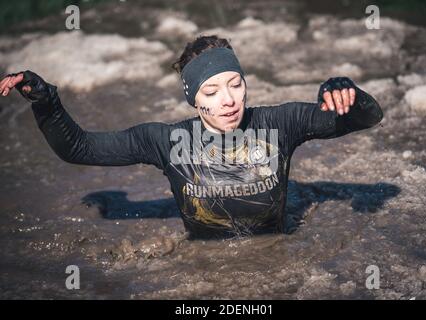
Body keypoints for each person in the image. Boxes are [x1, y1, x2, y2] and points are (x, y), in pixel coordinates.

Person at [0, 35, 383, 239]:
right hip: (204, 266)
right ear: (193, 99)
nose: (230, 100)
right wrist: (46, 101)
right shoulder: (165, 141)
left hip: (276, 252)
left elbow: (368, 118)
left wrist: (346, 91)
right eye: (212, 92)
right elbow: (78, 148)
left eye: (235, 84)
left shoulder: (283, 122)